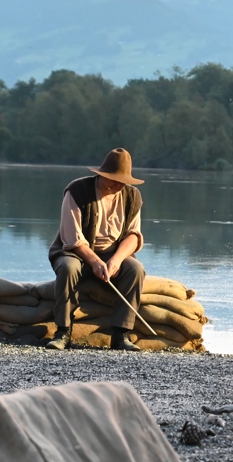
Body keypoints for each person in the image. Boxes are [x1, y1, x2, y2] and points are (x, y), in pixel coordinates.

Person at [46, 148, 146, 351]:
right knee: (68, 268)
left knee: (135, 270)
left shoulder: (132, 196)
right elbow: (72, 238)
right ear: (102, 174)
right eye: (114, 179)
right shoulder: (77, 190)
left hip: (113, 252)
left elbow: (133, 236)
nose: (118, 184)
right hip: (75, 251)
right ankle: (63, 331)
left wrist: (116, 260)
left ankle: (120, 334)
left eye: (122, 181)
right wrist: (95, 262)